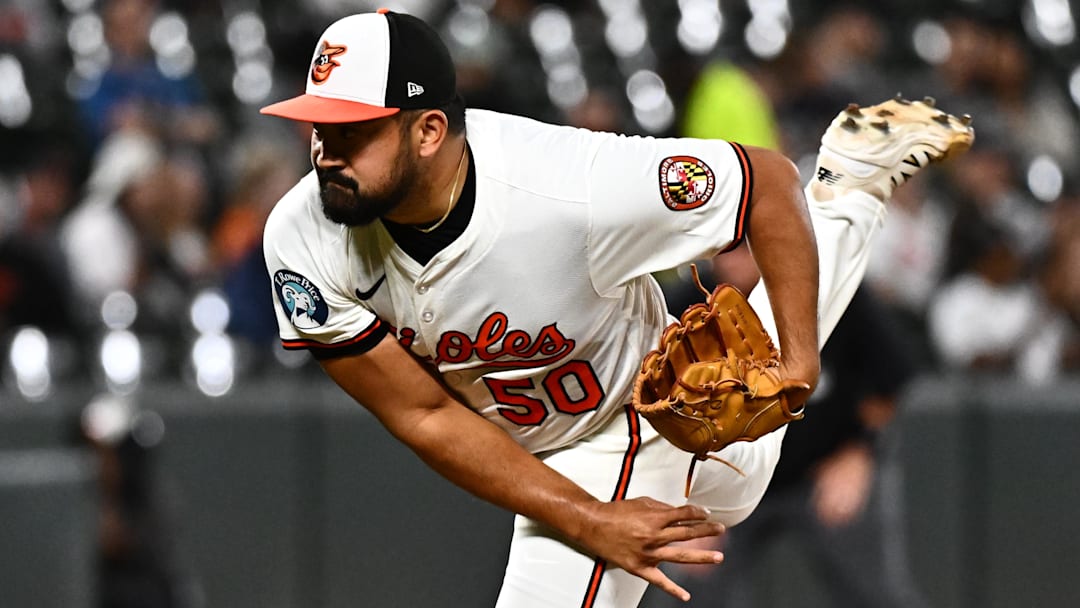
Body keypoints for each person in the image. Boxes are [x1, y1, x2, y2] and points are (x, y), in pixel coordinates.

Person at [257, 9, 972, 606]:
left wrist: (801, 362)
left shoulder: (569, 188)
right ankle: (848, 190)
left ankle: (845, 194)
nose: (324, 151)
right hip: (574, 453)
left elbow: (764, 181)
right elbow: (426, 414)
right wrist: (586, 517)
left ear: (429, 131)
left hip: (641, 413)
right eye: (318, 125)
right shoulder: (303, 241)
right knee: (743, 473)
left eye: (352, 130)